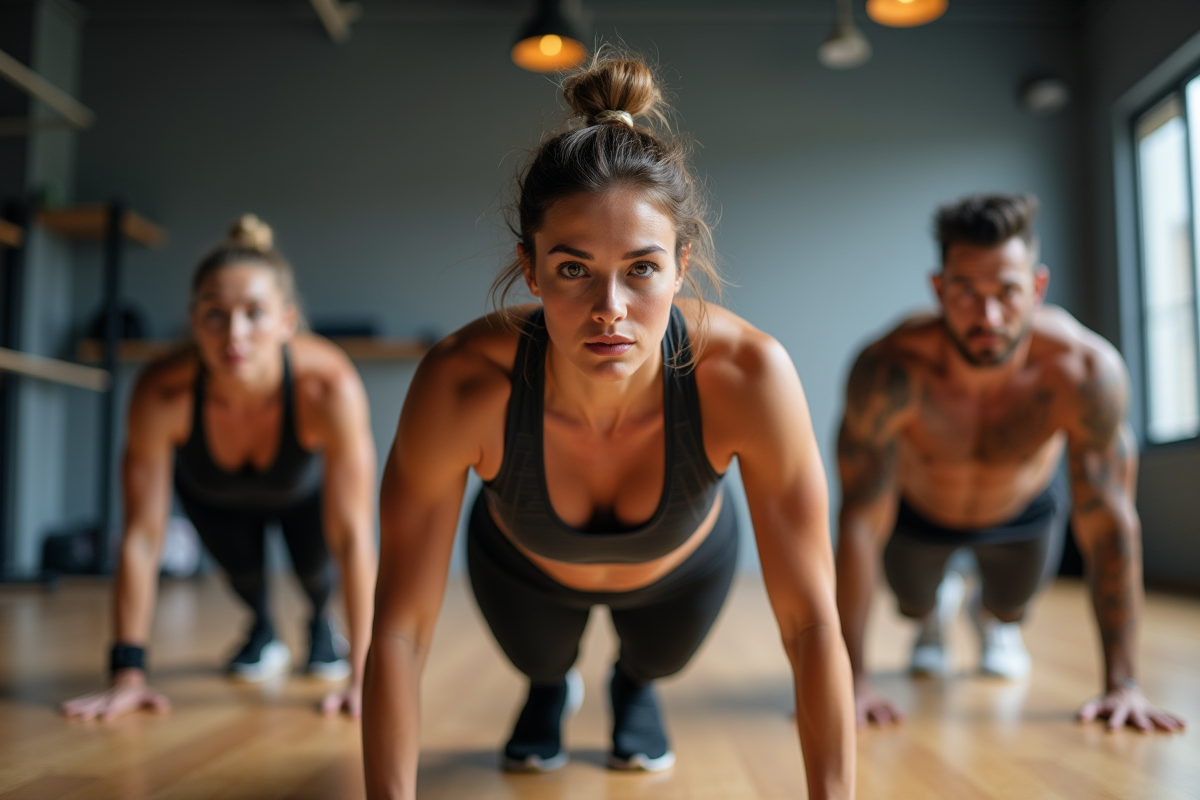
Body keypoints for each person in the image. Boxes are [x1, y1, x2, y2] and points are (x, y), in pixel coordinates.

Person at [362, 52, 854, 800]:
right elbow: (399, 632)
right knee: (541, 661)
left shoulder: (749, 376)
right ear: (529, 268)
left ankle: (634, 687)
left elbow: (812, 625)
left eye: (642, 268)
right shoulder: (462, 383)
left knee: (654, 662)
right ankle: (550, 691)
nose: (610, 309)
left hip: (678, 573)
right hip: (524, 570)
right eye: (573, 269)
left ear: (682, 264)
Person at [835, 193, 1186, 733]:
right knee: (911, 604)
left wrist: (1124, 685)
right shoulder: (889, 372)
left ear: (1038, 288)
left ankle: (990, 619)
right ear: (938, 290)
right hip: (918, 516)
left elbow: (1108, 521)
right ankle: (933, 617)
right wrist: (851, 680)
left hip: (1020, 516)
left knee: (1008, 611)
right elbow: (860, 519)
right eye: (966, 293)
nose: (989, 316)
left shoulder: (1084, 372)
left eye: (1008, 292)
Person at [61, 215, 377, 721]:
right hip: (215, 495)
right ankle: (262, 627)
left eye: (255, 313)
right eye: (215, 314)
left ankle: (322, 627)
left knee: (317, 573)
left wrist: (367, 678)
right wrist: (127, 674)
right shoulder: (162, 394)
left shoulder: (329, 385)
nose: (234, 334)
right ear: (194, 321)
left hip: (300, 493)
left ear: (287, 321)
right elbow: (143, 537)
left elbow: (355, 535)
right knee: (245, 579)